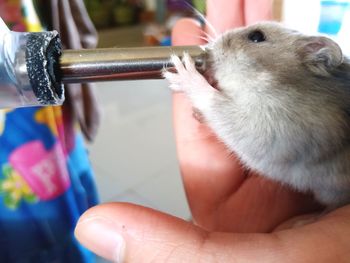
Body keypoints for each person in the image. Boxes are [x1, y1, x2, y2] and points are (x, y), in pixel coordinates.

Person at [75, 1, 350, 262]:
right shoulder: (287, 95)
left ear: (313, 52)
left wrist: (207, 99)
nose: (226, 39)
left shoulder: (320, 113)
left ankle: (329, 212)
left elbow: (265, 145)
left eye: (256, 38)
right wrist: (213, 102)